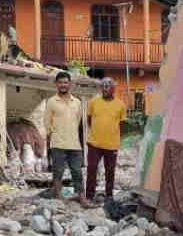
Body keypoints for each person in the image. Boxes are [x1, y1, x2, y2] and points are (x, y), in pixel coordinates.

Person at [85, 78, 127, 203]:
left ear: (113, 89)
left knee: (110, 171)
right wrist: (96, 133)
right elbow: (89, 119)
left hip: (112, 145)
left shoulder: (120, 105)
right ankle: (89, 195)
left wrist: (116, 137)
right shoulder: (93, 102)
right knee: (91, 168)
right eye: (103, 86)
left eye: (108, 86)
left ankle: (109, 195)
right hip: (94, 143)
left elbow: (122, 124)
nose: (105, 88)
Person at [45, 71, 85, 202]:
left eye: (65, 82)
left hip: (74, 144)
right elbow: (47, 123)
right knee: (58, 171)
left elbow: (78, 121)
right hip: (58, 143)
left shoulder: (77, 102)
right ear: (56, 84)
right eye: (60, 82)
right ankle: (58, 195)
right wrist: (54, 135)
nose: (63, 85)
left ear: (70, 84)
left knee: (77, 171)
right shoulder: (51, 102)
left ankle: (81, 197)